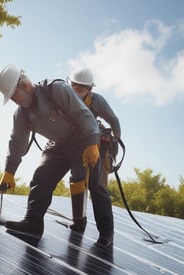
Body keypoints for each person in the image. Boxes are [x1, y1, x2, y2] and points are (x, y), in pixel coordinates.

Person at [0, 64, 113, 246]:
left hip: (83, 139)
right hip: (58, 145)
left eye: (13, 95)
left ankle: (106, 234)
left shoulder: (56, 89)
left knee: (93, 184)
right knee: (41, 176)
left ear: (24, 85)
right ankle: (32, 224)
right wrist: (9, 171)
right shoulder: (21, 115)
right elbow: (17, 143)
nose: (13, 100)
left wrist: (92, 141)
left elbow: (84, 115)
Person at [65, 68, 120, 244]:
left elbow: (113, 120)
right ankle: (79, 222)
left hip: (100, 145)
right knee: (77, 181)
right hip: (78, 144)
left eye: (80, 89)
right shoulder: (64, 97)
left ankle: (106, 233)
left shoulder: (96, 100)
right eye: (73, 87)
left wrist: (112, 147)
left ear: (89, 88)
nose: (76, 91)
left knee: (96, 186)